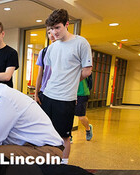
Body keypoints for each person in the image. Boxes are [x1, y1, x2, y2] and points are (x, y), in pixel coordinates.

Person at [41, 9, 92, 164]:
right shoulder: (51, 48)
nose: (54, 32)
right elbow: (49, 73)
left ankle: (64, 167)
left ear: (67, 24)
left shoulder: (81, 43)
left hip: (65, 99)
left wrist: (72, 81)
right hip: (48, 95)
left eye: (57, 27)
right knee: (45, 133)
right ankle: (47, 163)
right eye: (51, 29)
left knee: (63, 136)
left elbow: (87, 70)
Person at [34, 28, 56, 106]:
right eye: (49, 33)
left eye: (52, 32)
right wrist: (36, 94)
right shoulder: (43, 52)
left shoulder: (66, 51)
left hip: (59, 93)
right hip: (44, 93)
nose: (51, 36)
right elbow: (40, 75)